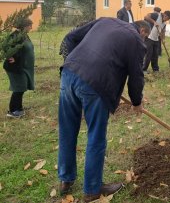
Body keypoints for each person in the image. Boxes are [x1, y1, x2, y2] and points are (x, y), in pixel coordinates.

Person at [57, 18, 150, 202]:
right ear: (141, 30)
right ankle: (92, 190)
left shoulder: (105, 21)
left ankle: (65, 179)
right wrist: (137, 102)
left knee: (67, 130)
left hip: (68, 75)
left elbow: (70, 37)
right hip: (96, 85)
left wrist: (73, 62)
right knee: (96, 136)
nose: (144, 40)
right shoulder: (136, 40)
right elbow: (136, 76)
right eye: (145, 36)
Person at [3, 18, 34, 118]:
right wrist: (9, 56)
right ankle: (13, 111)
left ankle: (19, 108)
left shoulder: (24, 35)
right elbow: (5, 46)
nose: (31, 27)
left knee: (22, 87)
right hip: (15, 67)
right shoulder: (15, 35)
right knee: (18, 87)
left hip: (23, 67)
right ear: (24, 26)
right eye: (30, 25)